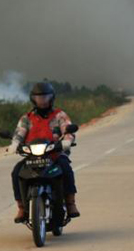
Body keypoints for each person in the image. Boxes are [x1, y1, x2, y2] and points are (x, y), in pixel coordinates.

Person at [7, 82, 80, 223]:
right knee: (16, 172)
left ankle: (71, 204)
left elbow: (67, 130)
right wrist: (14, 144)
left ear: (51, 98)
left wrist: (67, 141)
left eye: (45, 97)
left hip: (55, 154)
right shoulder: (26, 118)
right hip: (32, 156)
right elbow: (19, 133)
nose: (42, 100)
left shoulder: (59, 115)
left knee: (66, 168)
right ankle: (21, 207)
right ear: (33, 99)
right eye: (39, 97)